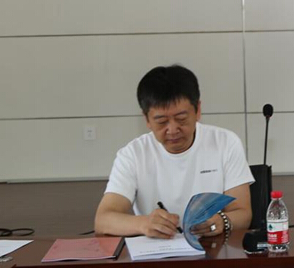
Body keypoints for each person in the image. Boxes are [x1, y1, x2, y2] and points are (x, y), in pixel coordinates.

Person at [95, 65, 254, 239]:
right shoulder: (133, 154)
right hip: (156, 251)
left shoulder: (225, 143)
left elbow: (243, 214)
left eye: (181, 119)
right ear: (147, 119)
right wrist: (144, 223)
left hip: (212, 247)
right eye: (161, 122)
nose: (172, 130)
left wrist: (222, 220)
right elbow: (103, 220)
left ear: (198, 110)